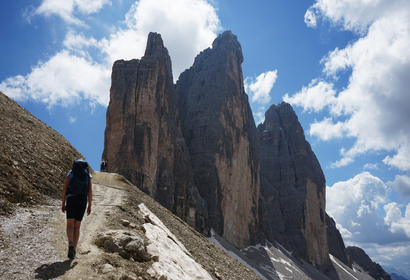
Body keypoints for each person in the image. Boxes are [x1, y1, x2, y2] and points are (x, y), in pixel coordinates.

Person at [61, 159, 93, 259]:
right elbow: (90, 191)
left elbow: (65, 188)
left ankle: (70, 242)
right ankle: (74, 250)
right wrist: (90, 205)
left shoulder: (71, 173)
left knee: (70, 224)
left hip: (71, 199)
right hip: (82, 200)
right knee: (77, 226)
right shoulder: (88, 175)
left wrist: (63, 203)